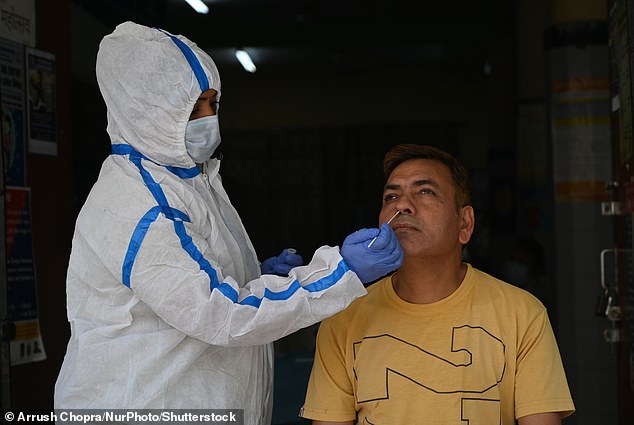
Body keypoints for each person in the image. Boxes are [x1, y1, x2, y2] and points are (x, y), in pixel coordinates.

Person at [54, 21, 403, 423]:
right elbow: (219, 312)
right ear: (147, 110)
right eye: (193, 108)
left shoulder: (186, 177)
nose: (208, 119)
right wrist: (341, 271)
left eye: (212, 104)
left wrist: (251, 274)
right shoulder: (139, 204)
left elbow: (190, 282)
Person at [301, 144, 575, 424]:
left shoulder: (522, 314)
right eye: (391, 196)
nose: (402, 205)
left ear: (465, 224)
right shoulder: (343, 320)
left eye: (425, 192)